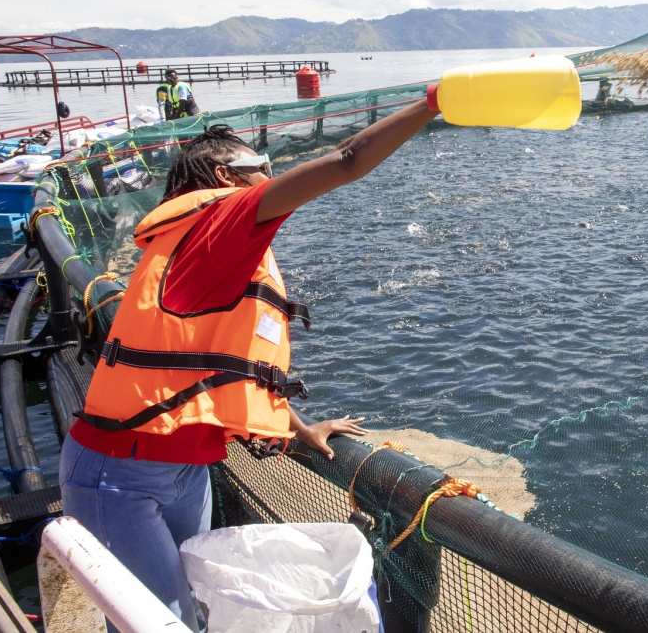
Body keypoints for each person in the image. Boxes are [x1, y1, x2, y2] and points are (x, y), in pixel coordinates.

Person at [59, 97, 440, 630]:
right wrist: (433, 104)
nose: (272, 174)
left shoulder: (207, 243)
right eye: (261, 167)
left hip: (187, 470)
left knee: (196, 608)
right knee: (160, 623)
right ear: (225, 176)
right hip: (118, 475)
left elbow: (223, 365)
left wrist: (301, 429)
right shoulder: (220, 222)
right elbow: (347, 159)